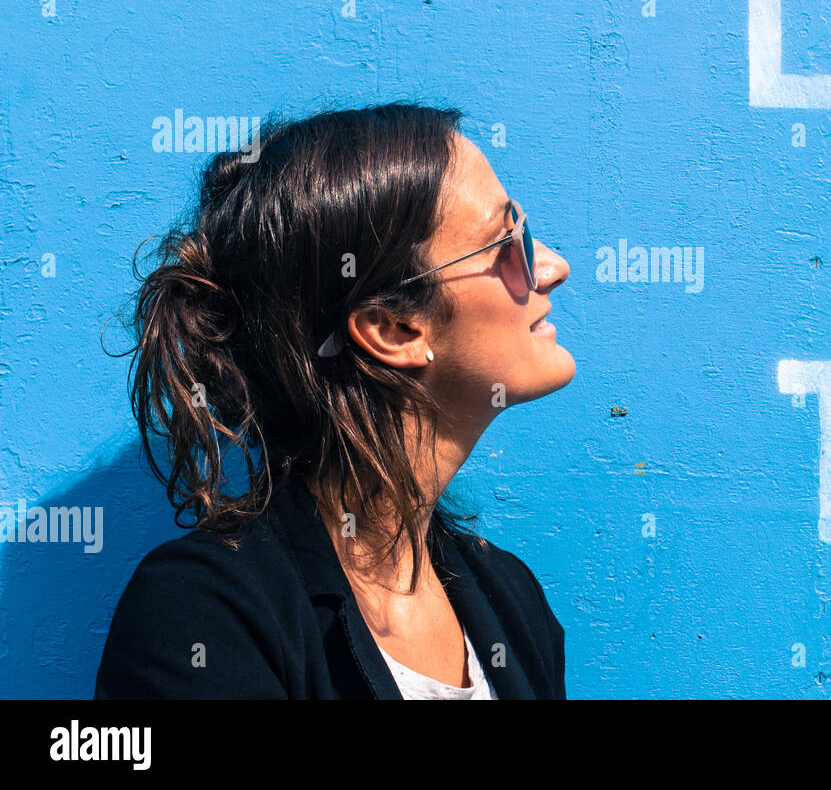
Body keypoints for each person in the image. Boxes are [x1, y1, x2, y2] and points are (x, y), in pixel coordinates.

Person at [94, 103, 575, 699]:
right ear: (394, 328)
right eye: (508, 241)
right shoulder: (206, 616)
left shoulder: (510, 599)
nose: (552, 267)